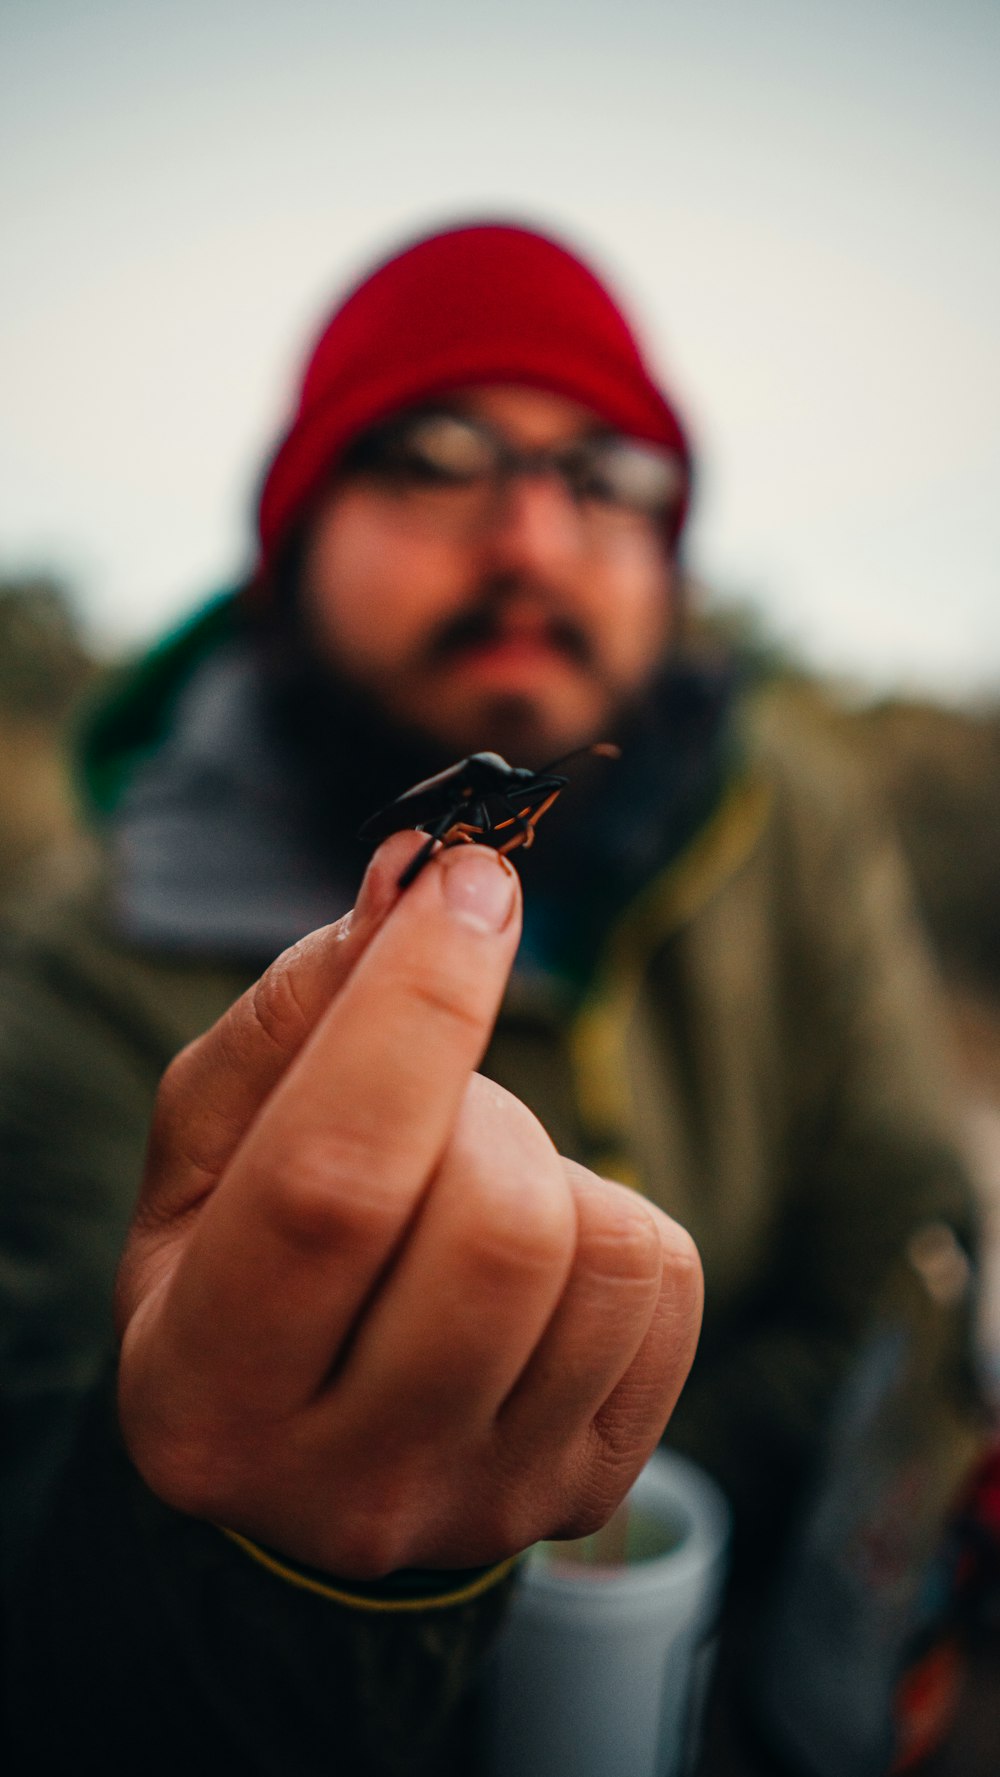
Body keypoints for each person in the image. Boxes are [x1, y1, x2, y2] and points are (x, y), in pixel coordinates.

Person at [0, 221, 987, 1774]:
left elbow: (911, 1280)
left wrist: (619, 1465)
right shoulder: (77, 962)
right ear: (293, 538)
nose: (532, 534)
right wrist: (276, 1540)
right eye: (434, 455)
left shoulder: (793, 822)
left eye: (610, 475)